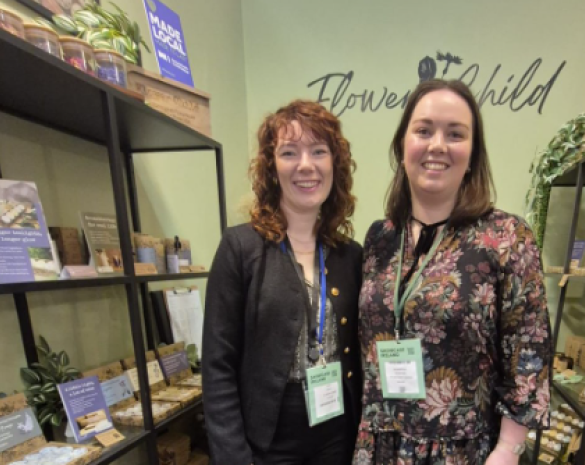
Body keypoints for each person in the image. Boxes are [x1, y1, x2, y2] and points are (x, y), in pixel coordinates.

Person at [353, 80, 551, 465]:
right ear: (402, 146)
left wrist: (508, 449)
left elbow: (530, 352)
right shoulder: (381, 237)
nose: (438, 145)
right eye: (424, 130)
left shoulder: (506, 237)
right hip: (379, 444)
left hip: (461, 451)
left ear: (473, 153)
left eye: (455, 134)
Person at [203, 100, 363, 465]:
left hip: (338, 435)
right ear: (272, 167)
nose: (306, 165)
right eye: (290, 152)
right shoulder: (240, 248)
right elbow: (217, 366)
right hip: (266, 441)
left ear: (334, 164)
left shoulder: (351, 255)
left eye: (318, 151)